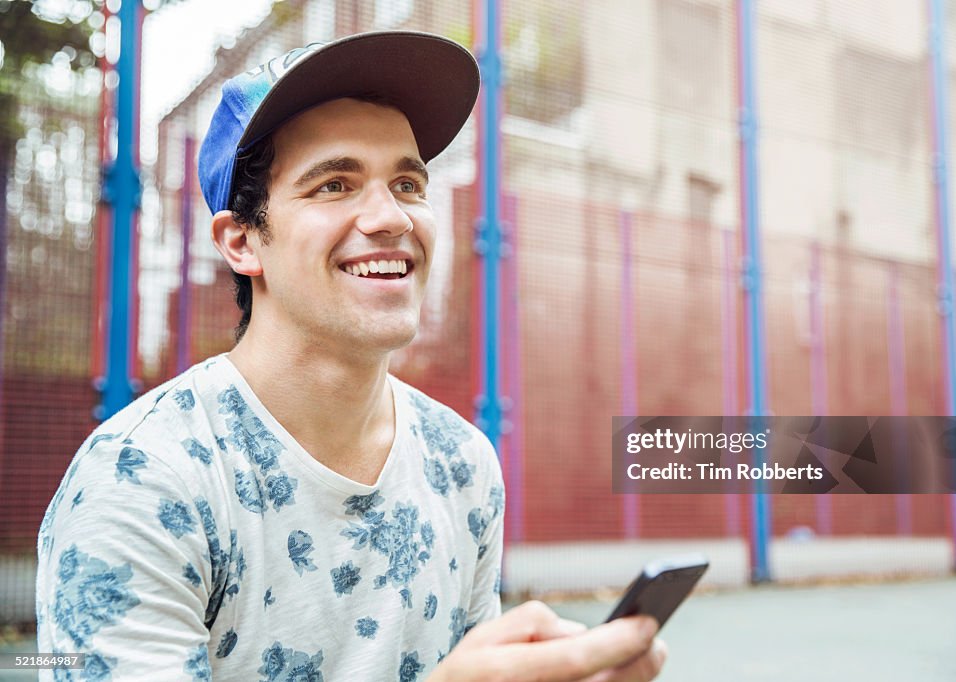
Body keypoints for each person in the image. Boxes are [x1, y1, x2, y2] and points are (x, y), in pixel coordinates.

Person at [36, 31, 666, 681]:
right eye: (335, 184)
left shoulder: (463, 463)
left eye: (407, 183)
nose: (392, 216)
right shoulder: (141, 480)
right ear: (241, 241)